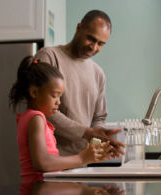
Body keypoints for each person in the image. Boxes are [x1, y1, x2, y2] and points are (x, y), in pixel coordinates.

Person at [34, 10, 124, 156]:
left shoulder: (98, 73)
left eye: (101, 44)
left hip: (82, 162)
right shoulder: (49, 56)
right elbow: (41, 107)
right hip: (50, 160)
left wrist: (98, 142)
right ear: (78, 28)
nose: (94, 47)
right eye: (91, 39)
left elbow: (98, 118)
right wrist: (86, 132)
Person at [9, 56, 112, 183]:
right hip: (39, 188)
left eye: (60, 96)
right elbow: (42, 163)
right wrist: (82, 158)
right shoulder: (36, 119)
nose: (59, 102)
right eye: (54, 96)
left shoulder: (28, 117)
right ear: (34, 92)